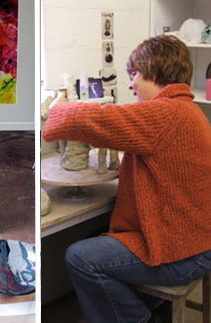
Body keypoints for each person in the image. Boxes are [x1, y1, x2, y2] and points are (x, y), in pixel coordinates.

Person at [43, 34, 211, 322]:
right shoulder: (189, 110)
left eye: (134, 74)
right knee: (93, 238)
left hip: (188, 253)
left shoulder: (164, 112)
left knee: (80, 256)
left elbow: (93, 120)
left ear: (154, 72)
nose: (131, 84)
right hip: (197, 241)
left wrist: (56, 106)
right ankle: (149, 309)